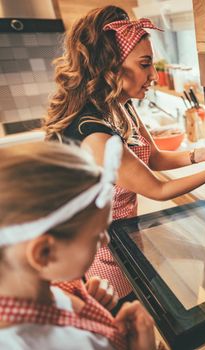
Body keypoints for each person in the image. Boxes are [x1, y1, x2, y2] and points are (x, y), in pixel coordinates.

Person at [43, 6, 205, 307]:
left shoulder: (120, 106)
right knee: (122, 315)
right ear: (111, 67)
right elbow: (159, 189)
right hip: (101, 249)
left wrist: (201, 154)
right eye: (145, 64)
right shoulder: (95, 134)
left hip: (126, 234)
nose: (153, 74)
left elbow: (153, 158)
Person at [0, 138, 155, 350]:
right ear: (44, 252)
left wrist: (88, 306)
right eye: (96, 234)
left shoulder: (42, 289)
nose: (105, 239)